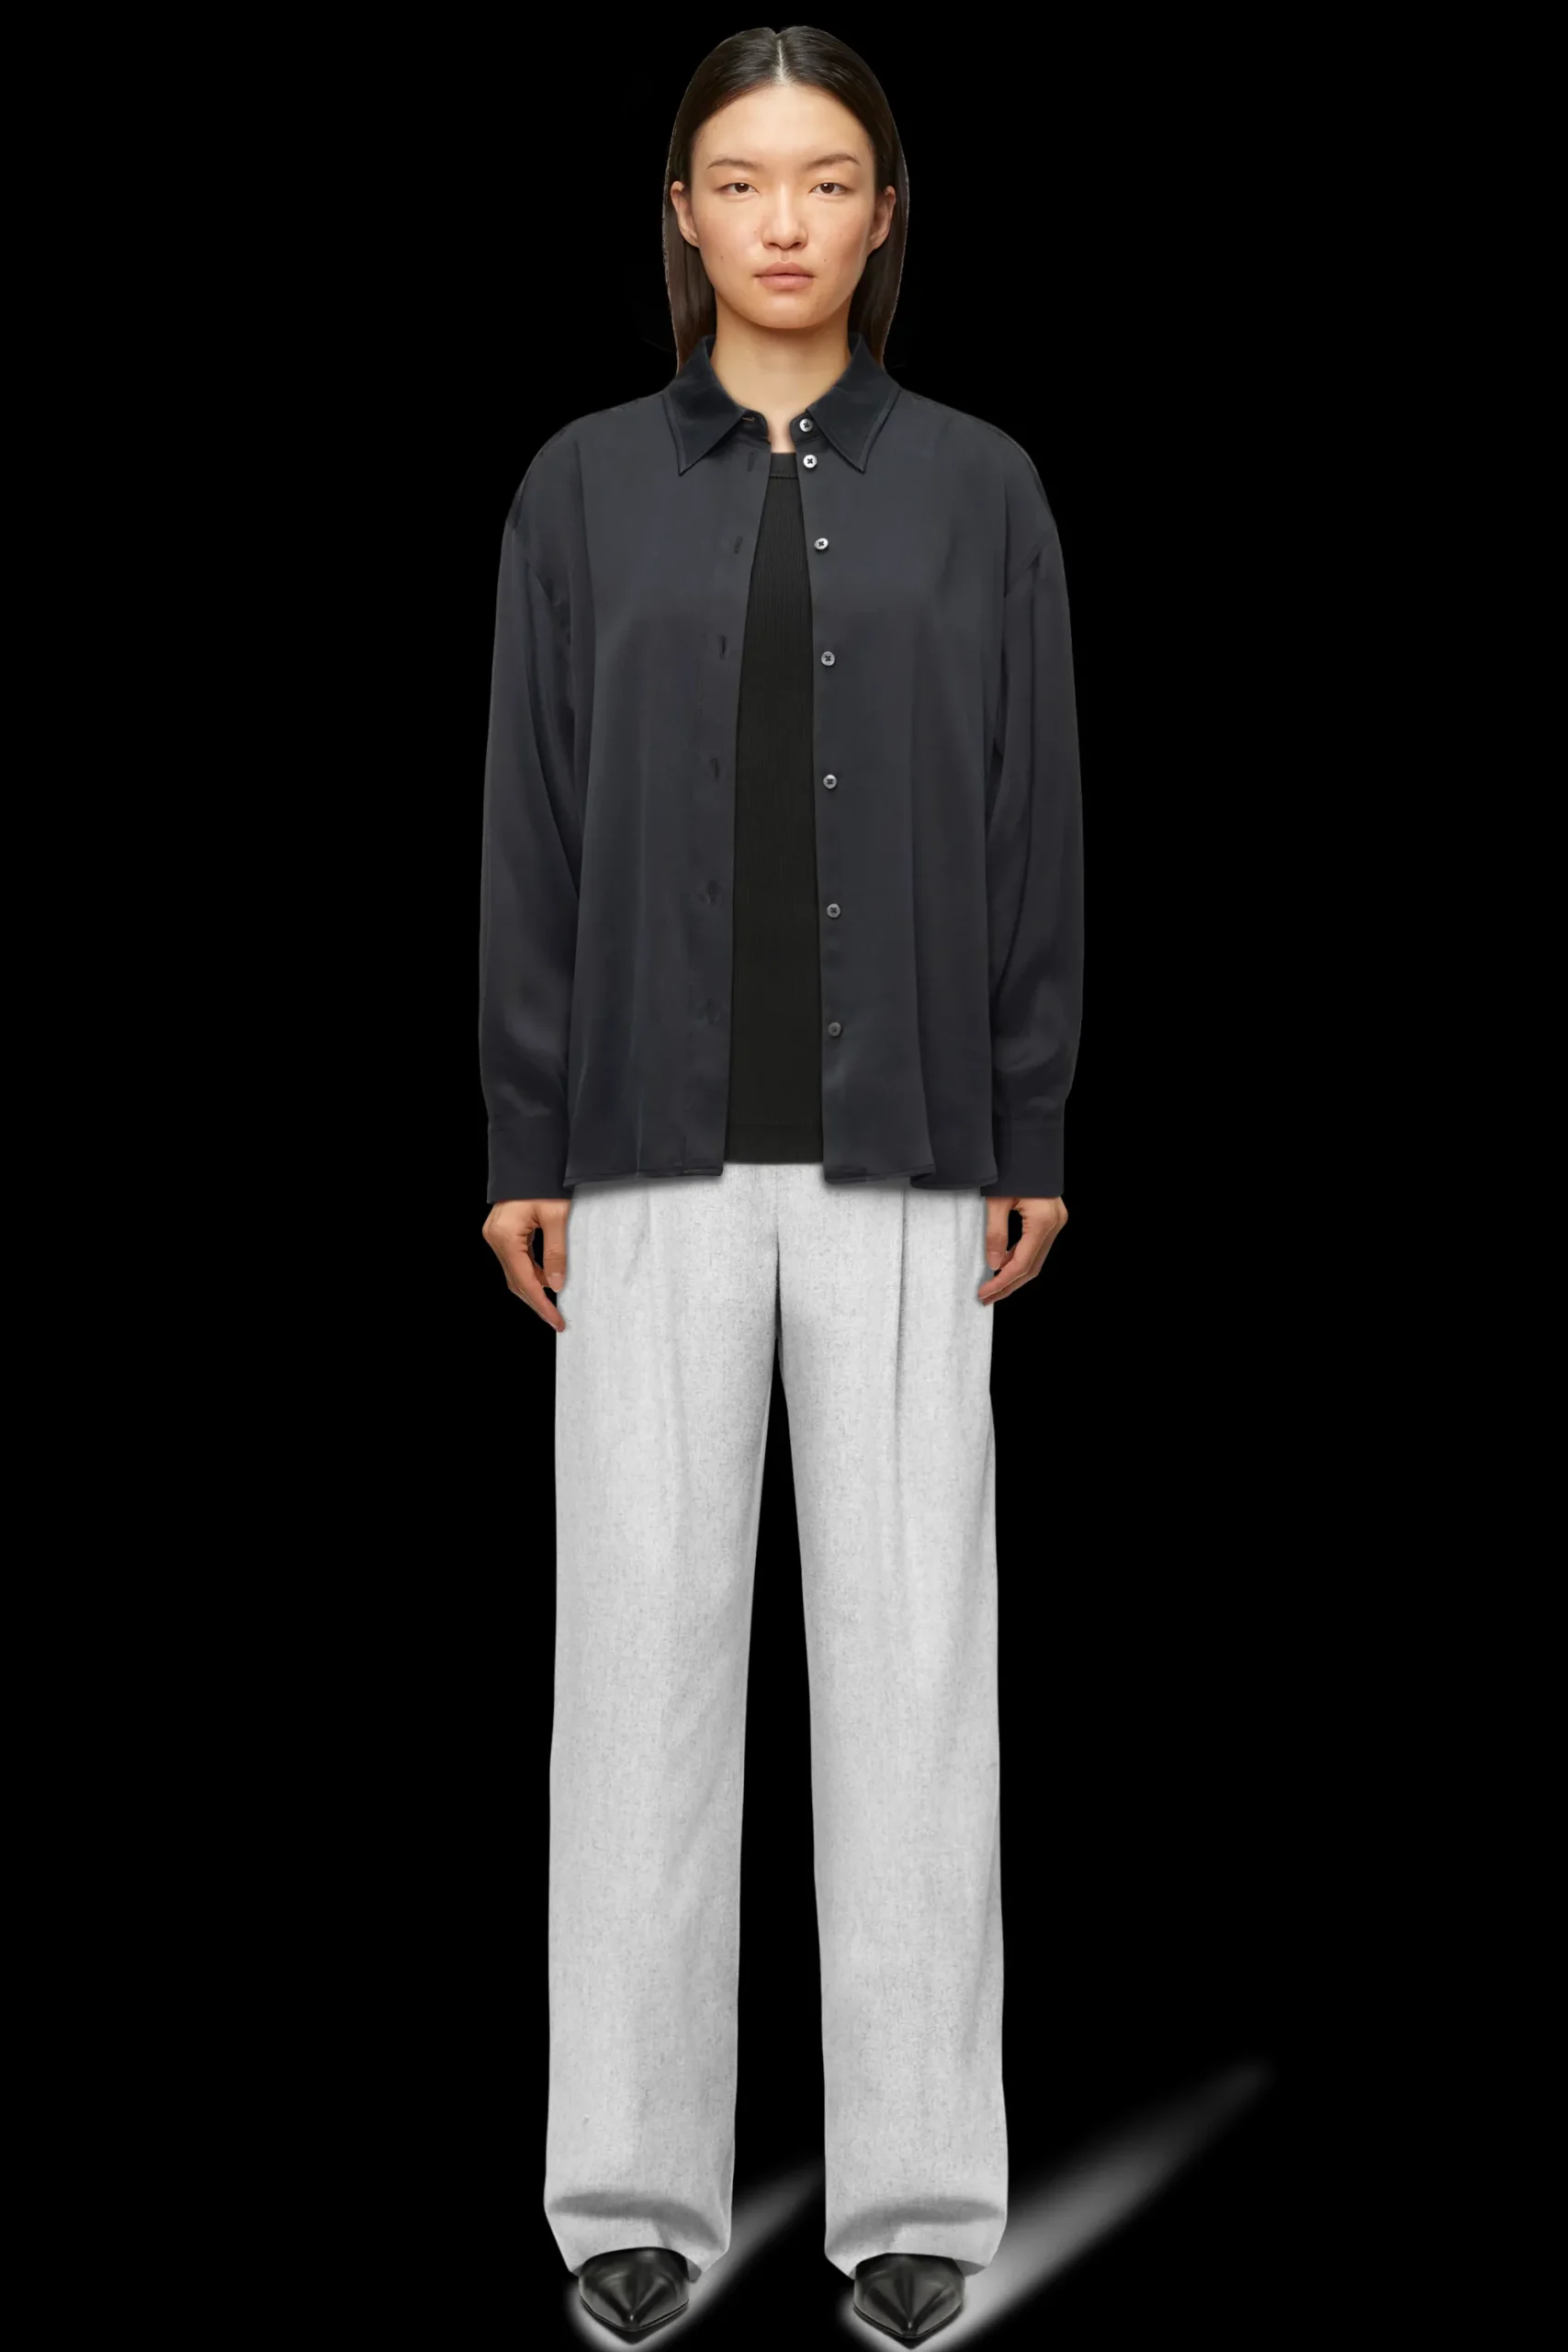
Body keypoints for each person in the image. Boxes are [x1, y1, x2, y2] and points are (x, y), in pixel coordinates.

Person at [479, 26, 1083, 2344]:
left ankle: (915, 2194)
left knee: (913, 1672)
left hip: (910, 1152)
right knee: (636, 1678)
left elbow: (1034, 818)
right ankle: (628, 2188)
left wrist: (1029, 1116)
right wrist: (522, 1133)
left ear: (885, 212)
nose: (785, 221)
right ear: (681, 214)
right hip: (640, 1155)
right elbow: (529, 824)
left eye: (828, 179)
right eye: (741, 180)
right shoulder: (576, 492)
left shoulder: (985, 492)